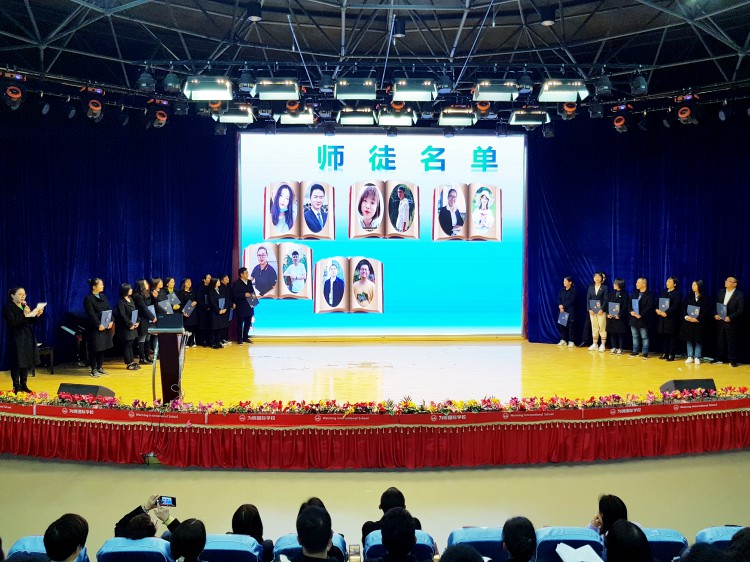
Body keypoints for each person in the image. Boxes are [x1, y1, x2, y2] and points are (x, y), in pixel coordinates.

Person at [3, 286, 43, 393]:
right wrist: (24, 314)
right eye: (20, 294)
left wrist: (36, 316)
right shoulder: (8, 307)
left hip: (27, 336)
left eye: (24, 294)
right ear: (12, 296)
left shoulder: (24, 306)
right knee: (17, 362)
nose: (23, 296)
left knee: (26, 361)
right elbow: (13, 323)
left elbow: (29, 322)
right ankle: (16, 386)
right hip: (16, 338)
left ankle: (24, 385)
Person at [83, 278, 114, 377]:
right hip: (95, 328)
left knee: (103, 347)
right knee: (95, 348)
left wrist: (111, 321)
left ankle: (100, 366)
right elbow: (91, 314)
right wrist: (98, 324)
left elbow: (109, 309)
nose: (103, 286)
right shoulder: (88, 299)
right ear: (94, 287)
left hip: (105, 326)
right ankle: (93, 368)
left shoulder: (103, 297)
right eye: (101, 284)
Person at [114, 494, 180, 539]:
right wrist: (168, 519)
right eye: (154, 521)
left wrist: (146, 508)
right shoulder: (165, 544)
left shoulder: (122, 538)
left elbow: (120, 526)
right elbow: (184, 537)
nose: (156, 519)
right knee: (167, 534)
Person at [713, 276, 744, 367]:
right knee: (720, 341)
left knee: (731, 341)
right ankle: (719, 358)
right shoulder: (721, 292)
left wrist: (730, 317)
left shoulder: (739, 295)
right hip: (720, 321)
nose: (726, 281)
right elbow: (715, 305)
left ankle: (732, 360)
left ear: (734, 284)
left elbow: (740, 310)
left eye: (729, 281)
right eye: (726, 280)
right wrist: (715, 314)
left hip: (731, 322)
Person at [680, 280, 709, 365]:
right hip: (688, 321)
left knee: (698, 340)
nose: (692, 287)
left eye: (694, 285)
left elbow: (706, 310)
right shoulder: (689, 295)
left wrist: (697, 318)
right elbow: (683, 307)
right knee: (689, 339)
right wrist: (686, 316)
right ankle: (690, 356)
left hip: (699, 322)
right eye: (692, 285)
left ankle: (697, 356)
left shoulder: (704, 297)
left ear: (699, 286)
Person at [656, 276, 683, 361]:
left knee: (672, 337)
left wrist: (666, 313)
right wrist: (657, 310)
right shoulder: (664, 291)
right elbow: (658, 302)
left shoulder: (677, 293)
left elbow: (676, 306)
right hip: (662, 318)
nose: (667, 283)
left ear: (675, 284)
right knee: (664, 337)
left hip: (671, 319)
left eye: (670, 281)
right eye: (667, 281)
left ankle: (671, 354)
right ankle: (665, 353)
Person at [115, 283, 140, 370]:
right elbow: (123, 315)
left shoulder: (131, 299)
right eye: (129, 289)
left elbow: (136, 311)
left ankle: (132, 361)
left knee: (131, 344)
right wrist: (130, 324)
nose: (131, 290)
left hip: (133, 325)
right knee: (126, 345)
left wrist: (137, 321)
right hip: (126, 327)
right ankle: (128, 363)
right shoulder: (120, 302)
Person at [629, 277, 655, 359]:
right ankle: (635, 351)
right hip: (633, 318)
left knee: (644, 336)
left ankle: (645, 353)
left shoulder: (650, 295)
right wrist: (631, 311)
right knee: (634, 336)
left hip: (644, 319)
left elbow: (649, 307)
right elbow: (629, 304)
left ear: (644, 284)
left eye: (638, 282)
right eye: (636, 282)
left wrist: (641, 314)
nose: (636, 284)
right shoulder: (634, 293)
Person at [133, 279, 156, 363]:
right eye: (146, 283)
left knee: (148, 337)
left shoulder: (147, 293)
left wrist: (154, 297)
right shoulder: (137, 295)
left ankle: (147, 356)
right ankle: (142, 358)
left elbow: (151, 305)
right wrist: (152, 317)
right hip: (141, 318)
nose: (148, 284)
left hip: (147, 319)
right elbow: (144, 308)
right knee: (142, 338)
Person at [606, 278, 630, 355]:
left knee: (620, 334)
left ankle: (620, 348)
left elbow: (625, 306)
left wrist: (619, 315)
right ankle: (614, 347)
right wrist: (608, 314)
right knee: (612, 333)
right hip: (611, 318)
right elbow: (607, 305)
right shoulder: (611, 294)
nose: (614, 285)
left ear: (620, 284)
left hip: (620, 318)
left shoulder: (625, 294)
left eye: (615, 283)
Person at [232, 268, 256, 344]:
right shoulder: (236, 283)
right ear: (241, 274)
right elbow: (235, 294)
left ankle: (245, 337)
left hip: (249, 305)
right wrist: (244, 295)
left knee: (248, 323)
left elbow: (252, 292)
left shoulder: (249, 282)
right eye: (246, 273)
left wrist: (254, 302)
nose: (247, 274)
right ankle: (239, 339)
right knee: (240, 323)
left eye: (247, 273)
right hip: (241, 306)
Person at [586, 272, 608, 352]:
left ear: (602, 278)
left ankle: (603, 344)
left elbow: (605, 299)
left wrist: (602, 309)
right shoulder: (590, 287)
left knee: (602, 327)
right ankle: (595, 344)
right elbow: (588, 299)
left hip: (601, 311)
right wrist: (589, 309)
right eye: (595, 277)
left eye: (599, 277)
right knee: (594, 327)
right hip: (592, 311)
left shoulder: (605, 288)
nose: (597, 278)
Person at [178, 278, 199, 348]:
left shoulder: (193, 292)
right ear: (184, 283)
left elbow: (196, 300)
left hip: (193, 312)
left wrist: (195, 302)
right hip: (185, 313)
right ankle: (186, 342)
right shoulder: (181, 293)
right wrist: (183, 312)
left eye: (190, 282)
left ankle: (192, 342)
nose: (189, 283)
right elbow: (180, 304)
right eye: (187, 282)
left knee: (192, 327)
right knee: (186, 327)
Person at [556, 276, 576, 347]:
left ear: (570, 282)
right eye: (564, 281)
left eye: (565, 281)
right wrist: (560, 306)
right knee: (562, 326)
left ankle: (571, 341)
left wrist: (563, 306)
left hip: (570, 310)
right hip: (562, 311)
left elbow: (572, 300)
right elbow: (559, 299)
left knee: (571, 326)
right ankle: (563, 340)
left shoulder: (573, 290)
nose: (564, 282)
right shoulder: (562, 290)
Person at [208, 277, 227, 349]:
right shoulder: (211, 291)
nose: (219, 282)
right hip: (214, 312)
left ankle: (218, 342)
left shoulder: (221, 290)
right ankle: (213, 343)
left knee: (219, 327)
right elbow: (212, 302)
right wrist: (218, 310)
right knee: (214, 328)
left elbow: (225, 299)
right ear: (215, 283)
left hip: (222, 311)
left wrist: (225, 308)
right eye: (218, 281)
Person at [196, 274, 212, 347]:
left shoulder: (211, 288)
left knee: (209, 325)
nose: (210, 279)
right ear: (204, 280)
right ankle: (202, 341)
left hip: (210, 310)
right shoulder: (200, 288)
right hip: (202, 311)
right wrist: (206, 306)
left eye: (210, 278)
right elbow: (199, 300)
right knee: (203, 326)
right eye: (208, 278)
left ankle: (209, 340)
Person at [219, 274, 234, 345]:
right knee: (223, 323)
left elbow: (231, 297)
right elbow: (225, 298)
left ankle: (226, 338)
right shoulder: (221, 288)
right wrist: (231, 304)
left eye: (228, 278)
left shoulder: (228, 287)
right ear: (222, 280)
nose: (228, 280)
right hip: (224, 307)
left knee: (227, 323)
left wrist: (233, 303)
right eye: (226, 279)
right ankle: (222, 339)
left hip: (229, 307)